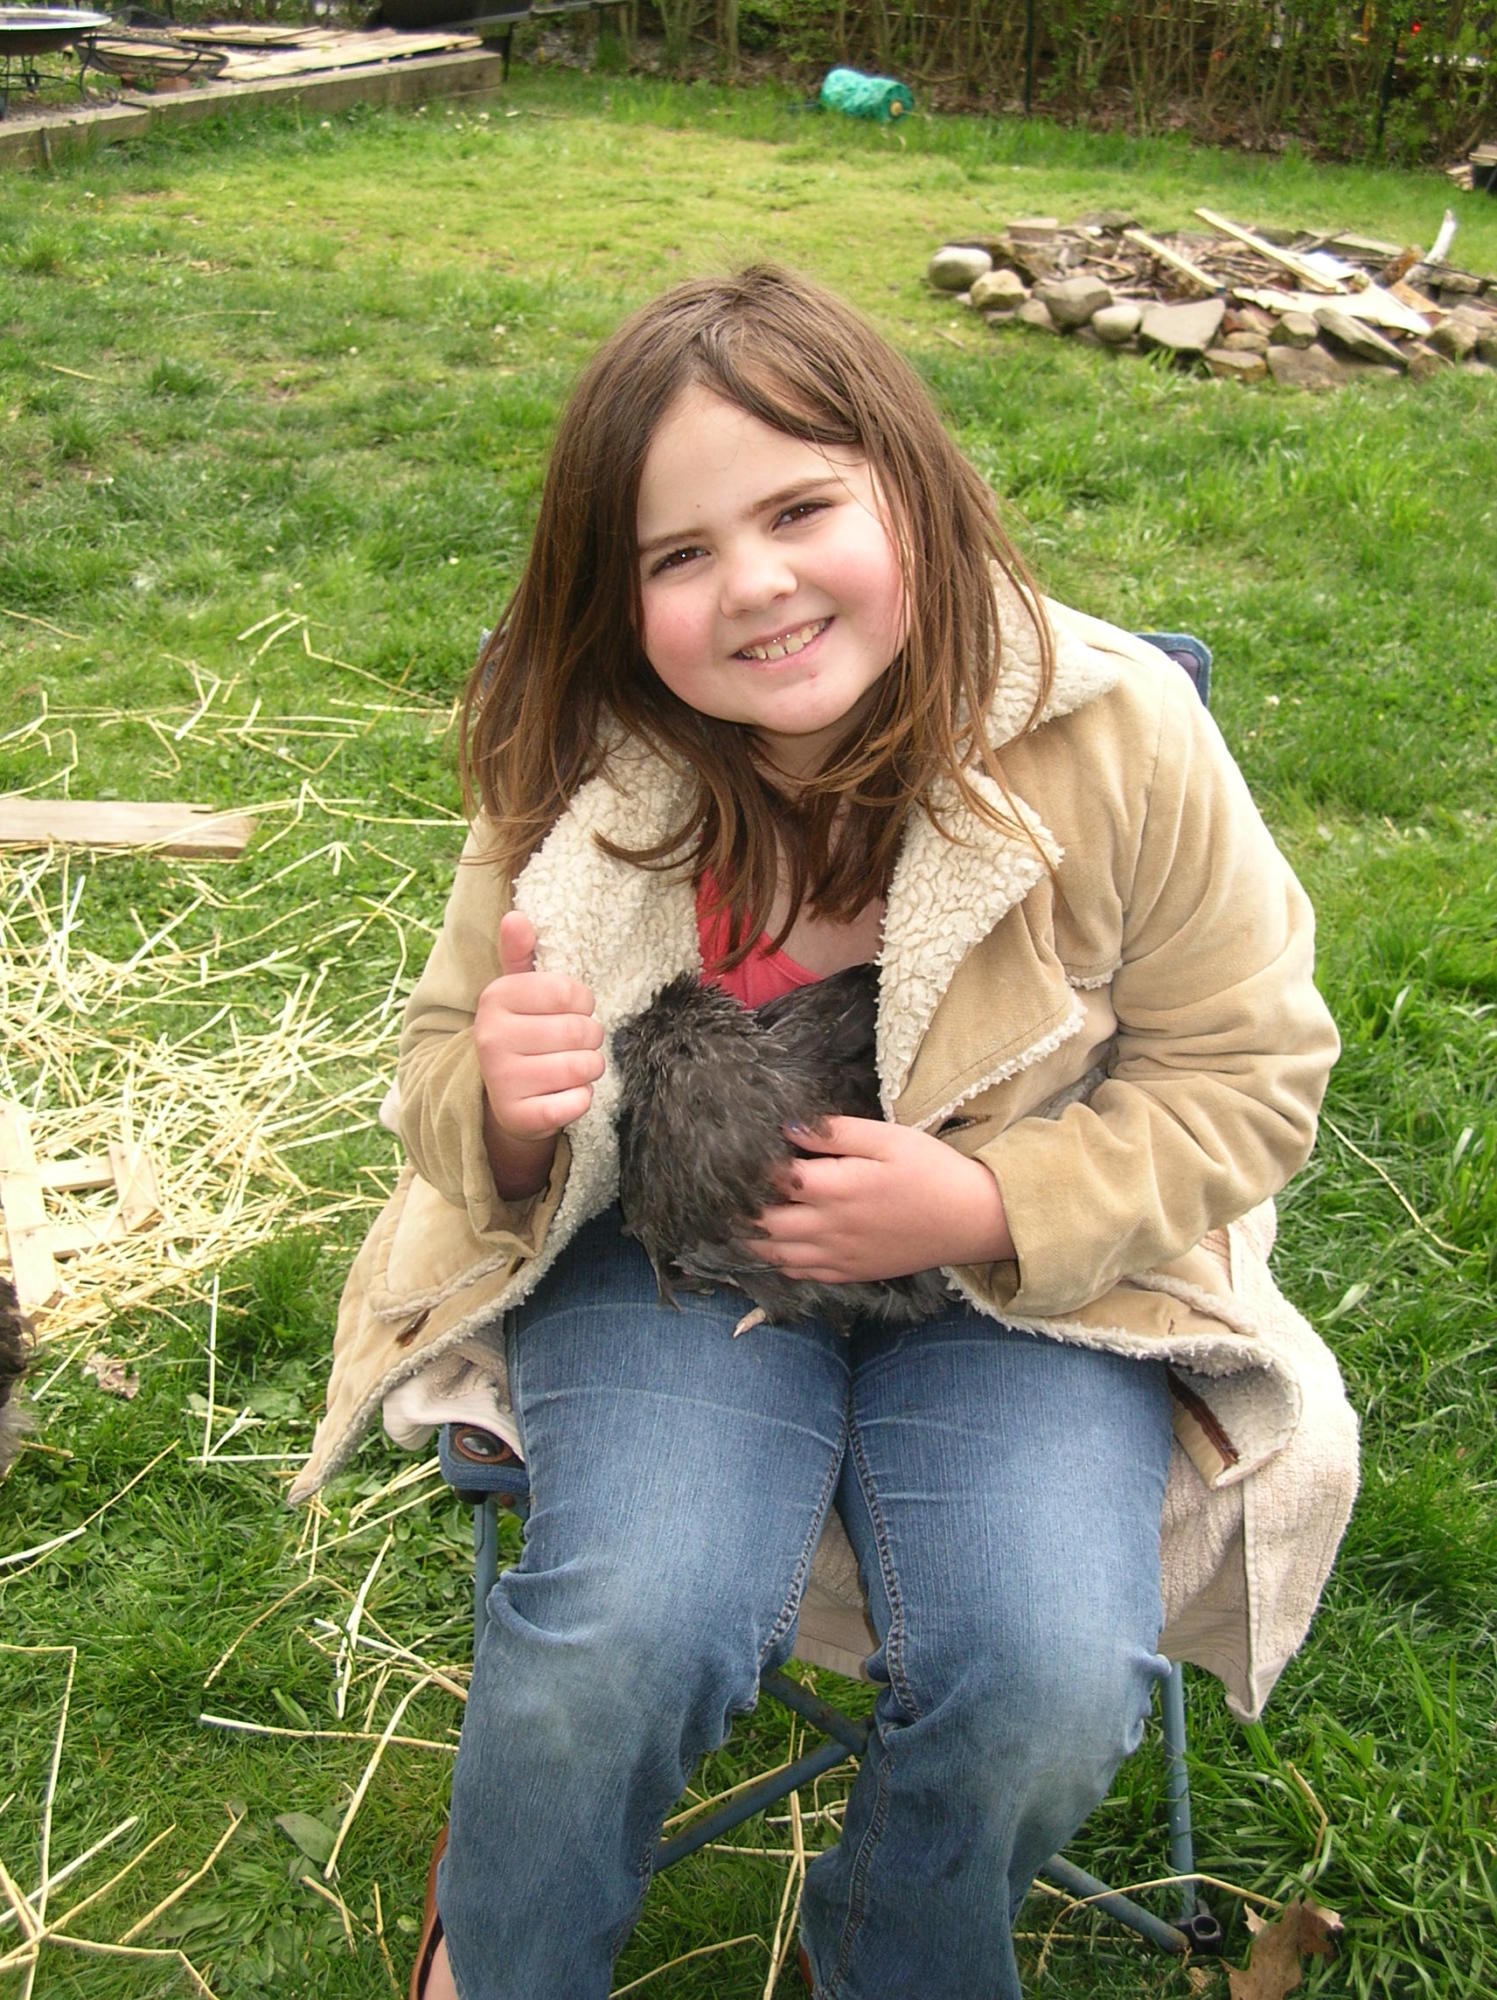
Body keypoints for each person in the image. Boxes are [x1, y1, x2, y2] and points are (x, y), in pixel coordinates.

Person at [290, 266, 1358, 2000]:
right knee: (624, 1627)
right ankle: (500, 1951)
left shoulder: (1112, 733)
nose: (757, 586)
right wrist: (496, 1106)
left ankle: (889, 1947)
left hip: (1018, 1289)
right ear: (611, 598)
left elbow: (1249, 1074)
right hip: (669, 1264)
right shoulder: (577, 763)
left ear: (911, 494)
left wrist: (985, 1197)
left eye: (801, 509)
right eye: (677, 555)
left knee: (1043, 1677)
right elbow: (433, 1069)